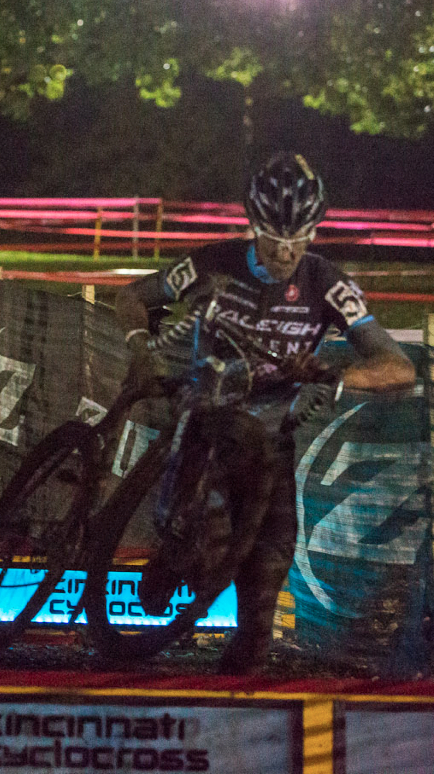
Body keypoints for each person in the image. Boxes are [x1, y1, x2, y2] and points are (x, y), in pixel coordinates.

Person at [115, 152, 414, 674]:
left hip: (274, 430)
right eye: (272, 236)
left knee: (269, 570)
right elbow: (131, 297)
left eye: (298, 238)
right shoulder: (214, 262)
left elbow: (396, 365)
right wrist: (141, 348)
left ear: (314, 232)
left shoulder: (325, 283)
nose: (284, 251)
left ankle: (239, 699)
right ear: (252, 226)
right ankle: (173, 557)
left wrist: (334, 376)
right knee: (208, 542)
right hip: (206, 415)